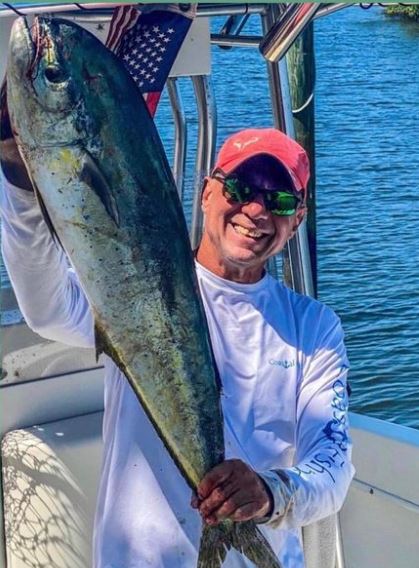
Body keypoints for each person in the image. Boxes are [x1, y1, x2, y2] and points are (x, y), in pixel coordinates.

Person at [1, 81, 354, 567]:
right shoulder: (137, 288)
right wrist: (18, 179)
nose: (256, 209)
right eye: (240, 188)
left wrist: (272, 493)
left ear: (298, 220)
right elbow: (47, 307)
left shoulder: (315, 329)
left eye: (281, 202)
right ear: (207, 192)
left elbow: (333, 467)